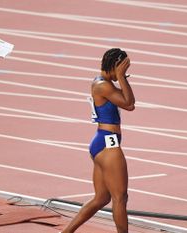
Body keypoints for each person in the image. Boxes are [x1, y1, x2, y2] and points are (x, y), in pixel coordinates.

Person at [61, 48, 135, 233]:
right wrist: (122, 77)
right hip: (108, 143)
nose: (124, 73)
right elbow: (129, 104)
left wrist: (120, 77)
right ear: (115, 66)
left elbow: (126, 100)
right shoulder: (102, 85)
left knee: (101, 198)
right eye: (122, 68)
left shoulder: (105, 83)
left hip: (102, 142)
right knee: (120, 197)